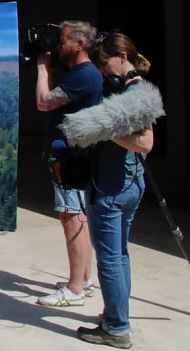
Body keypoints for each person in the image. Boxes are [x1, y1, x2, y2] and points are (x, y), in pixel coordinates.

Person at [67, 32, 157, 348]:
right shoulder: (133, 89)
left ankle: (117, 328)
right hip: (126, 184)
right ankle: (116, 316)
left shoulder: (135, 93)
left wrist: (100, 129)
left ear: (122, 57)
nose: (103, 71)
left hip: (112, 188)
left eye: (105, 63)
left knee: (109, 260)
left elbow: (145, 143)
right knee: (119, 256)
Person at [34, 20, 100, 306]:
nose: (58, 46)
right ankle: (83, 279)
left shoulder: (83, 75)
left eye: (63, 41)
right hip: (72, 155)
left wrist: (42, 69)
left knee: (72, 218)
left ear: (80, 44)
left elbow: (43, 102)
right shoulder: (83, 73)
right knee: (77, 217)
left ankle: (74, 290)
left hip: (70, 158)